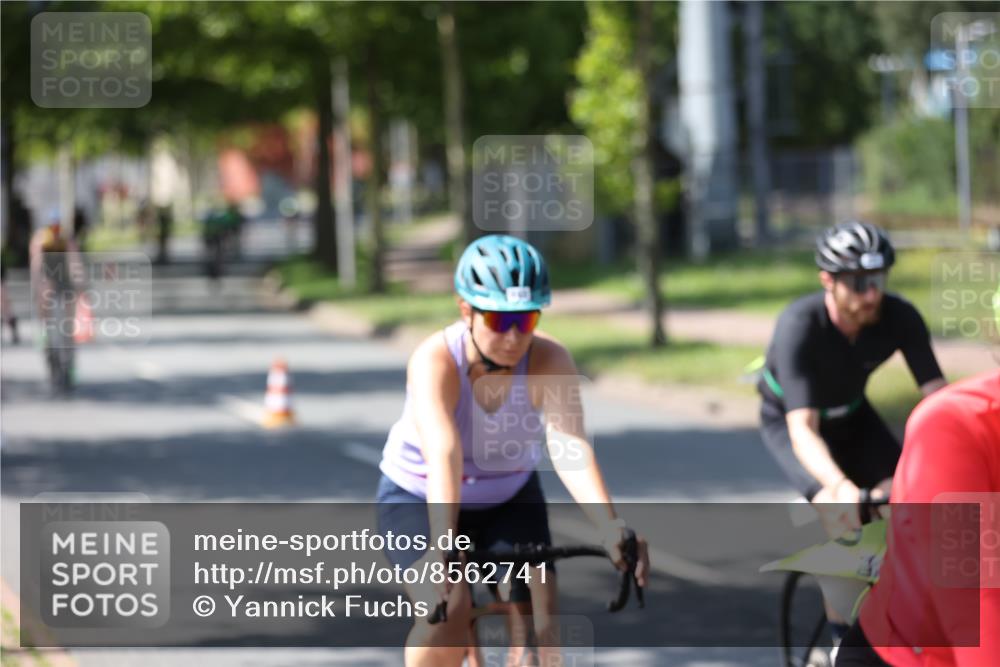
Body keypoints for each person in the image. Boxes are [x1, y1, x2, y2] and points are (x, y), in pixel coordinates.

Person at [375, 234, 649, 667]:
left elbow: (568, 443)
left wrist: (609, 524)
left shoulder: (550, 359)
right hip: (420, 494)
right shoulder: (435, 360)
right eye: (500, 321)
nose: (514, 336)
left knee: (540, 629)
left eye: (527, 320)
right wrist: (443, 545)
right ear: (466, 309)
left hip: (508, 497)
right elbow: (443, 451)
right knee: (451, 609)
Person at [838, 281, 1000, 666]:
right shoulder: (955, 423)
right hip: (912, 655)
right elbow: (973, 599)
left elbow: (931, 380)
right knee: (834, 504)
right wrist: (833, 483)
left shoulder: (902, 318)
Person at [758, 221, 947, 534]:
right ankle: (839, 574)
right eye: (858, 284)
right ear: (827, 280)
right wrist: (840, 486)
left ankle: (891, 580)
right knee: (841, 515)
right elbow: (803, 429)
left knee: (901, 502)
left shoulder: (900, 316)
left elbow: (941, 399)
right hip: (793, 423)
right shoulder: (799, 326)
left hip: (854, 415)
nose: (871, 294)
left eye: (877, 279)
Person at [29, 215, 85, 395]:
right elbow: (36, 265)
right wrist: (38, 288)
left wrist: (79, 285)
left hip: (64, 285)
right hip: (48, 286)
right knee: (47, 325)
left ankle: (69, 365)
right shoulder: (40, 240)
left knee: (67, 328)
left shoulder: (66, 240)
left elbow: (74, 262)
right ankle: (51, 356)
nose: (54, 231)